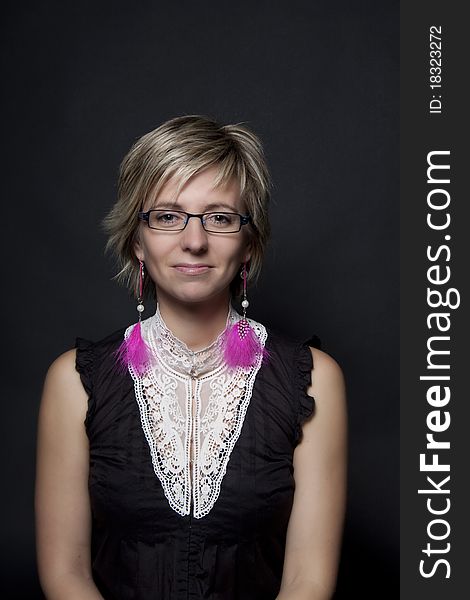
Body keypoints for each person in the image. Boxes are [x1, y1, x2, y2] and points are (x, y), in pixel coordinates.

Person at [35, 115, 347, 600]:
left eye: (220, 218)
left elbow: (308, 579)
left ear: (248, 243)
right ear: (137, 240)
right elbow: (65, 574)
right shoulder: (75, 381)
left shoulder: (312, 380)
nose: (195, 240)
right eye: (167, 215)